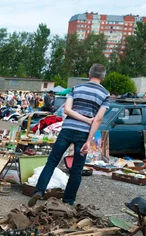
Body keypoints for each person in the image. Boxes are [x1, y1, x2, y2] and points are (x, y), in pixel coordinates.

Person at [28, 64, 110, 207]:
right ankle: (68, 200)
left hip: (67, 129)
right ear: (103, 77)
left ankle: (39, 190)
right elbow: (97, 120)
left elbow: (66, 110)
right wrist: (89, 138)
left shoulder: (76, 89)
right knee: (77, 169)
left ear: (89, 74)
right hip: (84, 133)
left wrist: (79, 118)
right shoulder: (105, 95)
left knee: (52, 162)